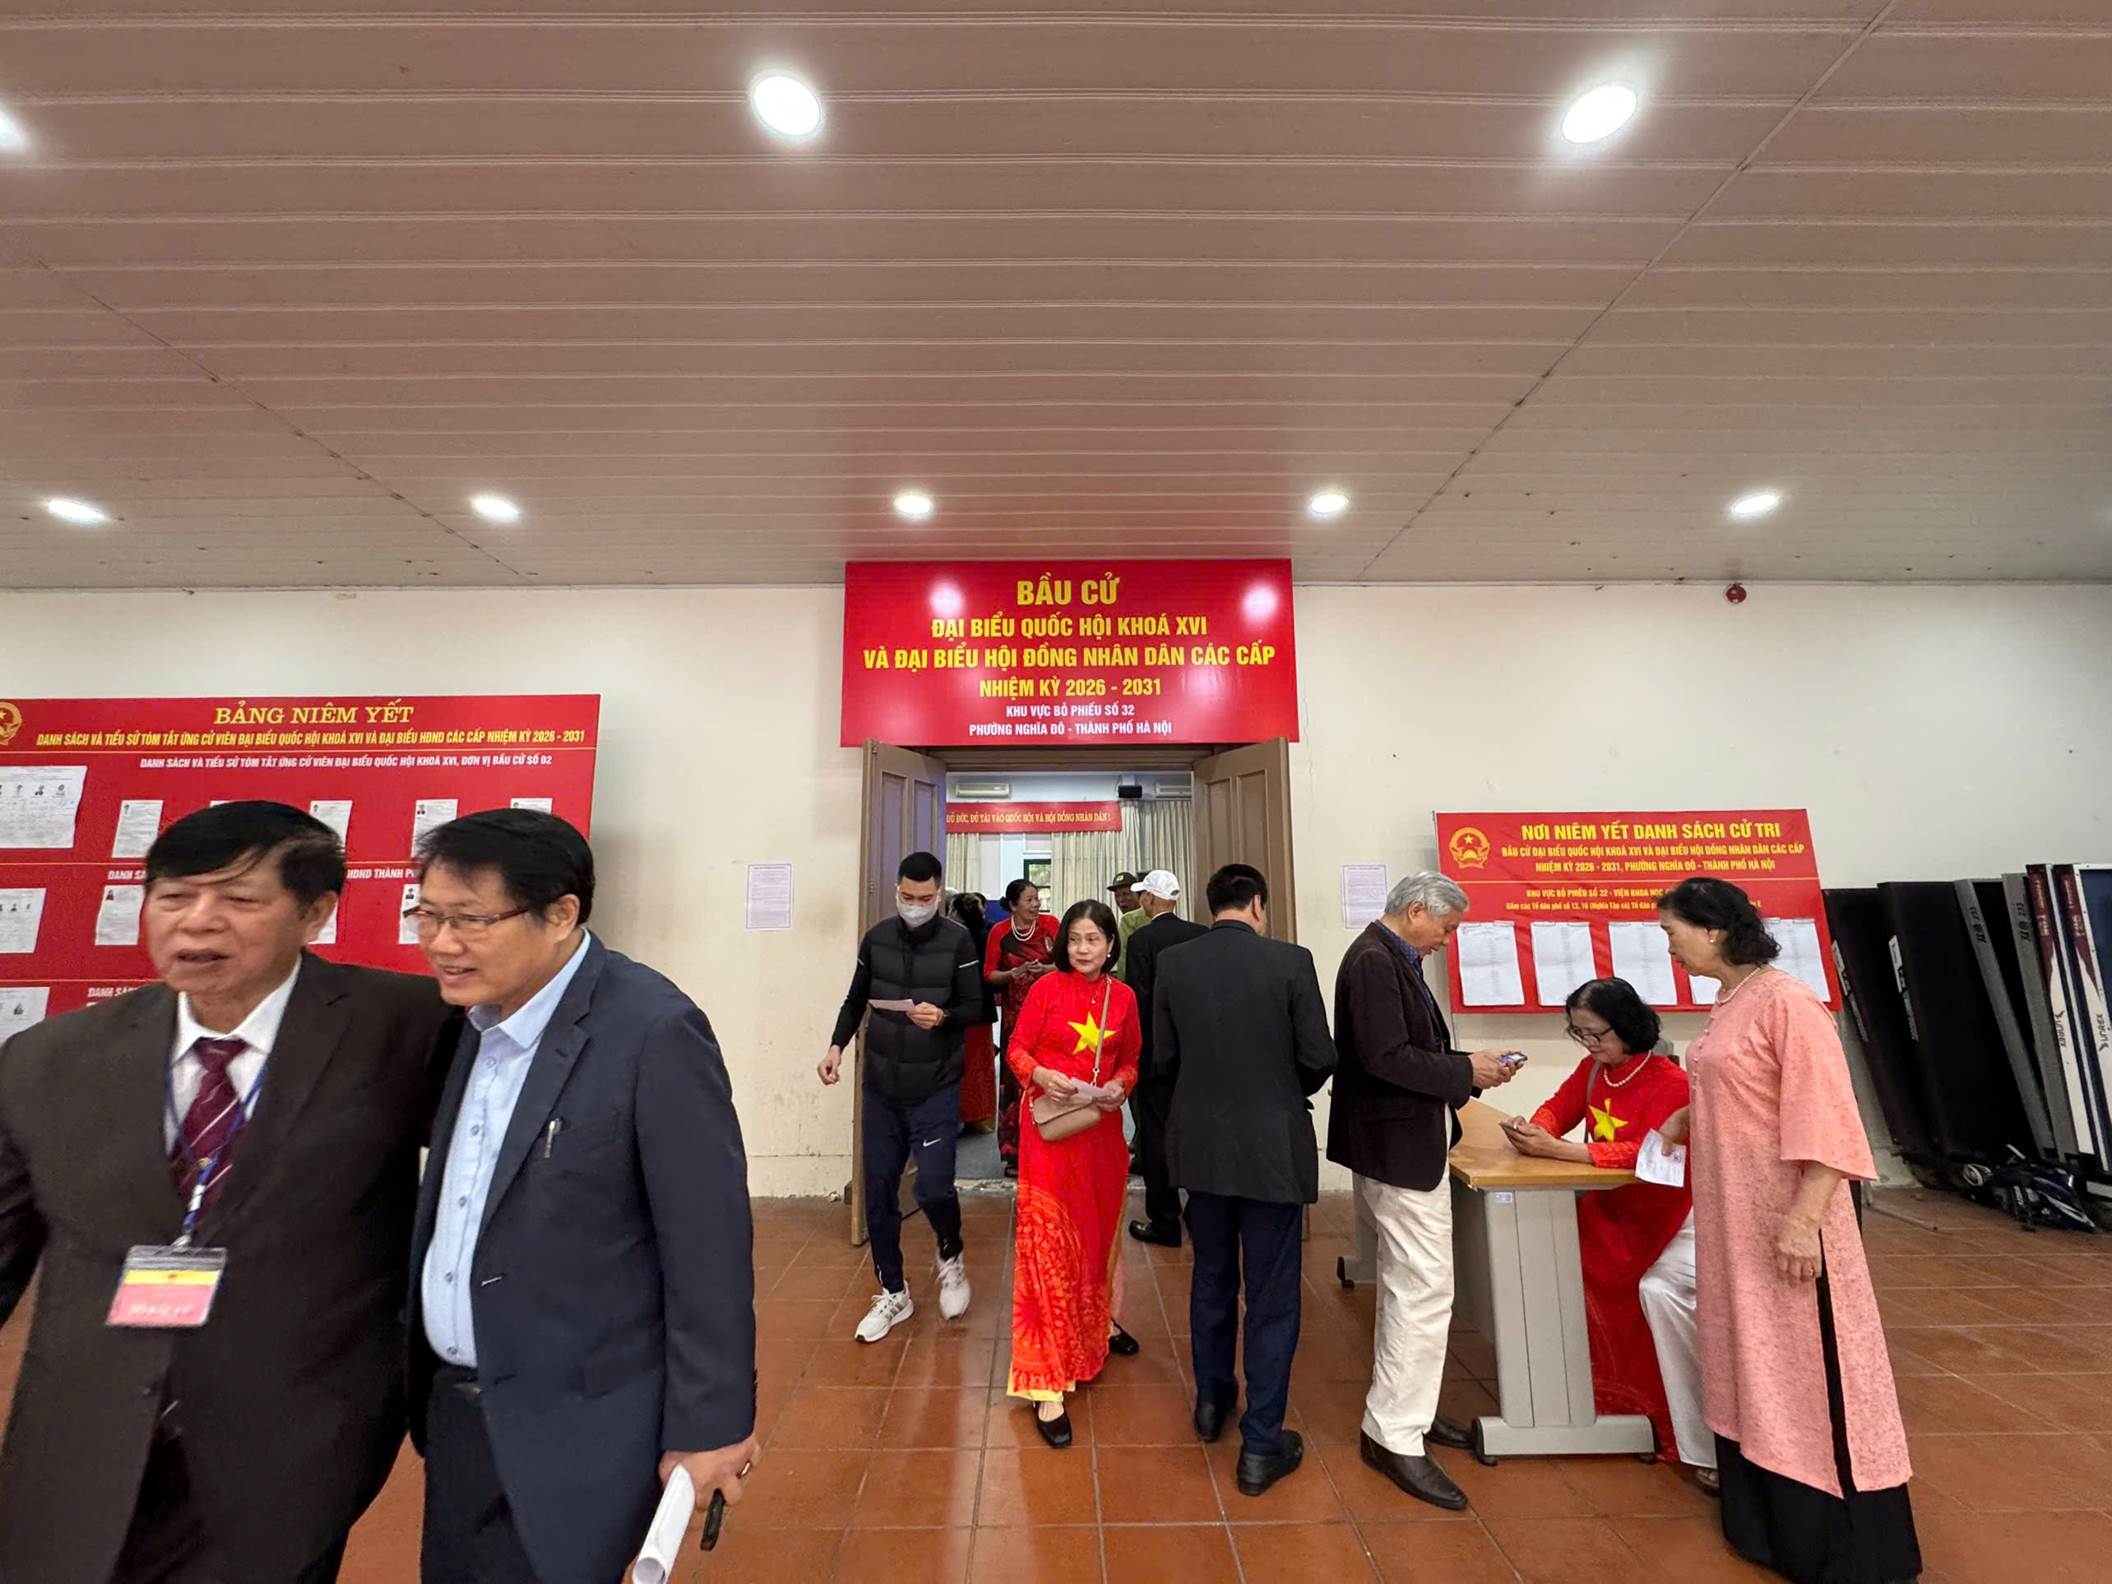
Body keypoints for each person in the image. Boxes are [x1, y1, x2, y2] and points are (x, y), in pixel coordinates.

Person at [0, 800, 451, 1584]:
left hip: (289, 1437)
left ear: (316, 912)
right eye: (173, 897)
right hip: (83, 1436)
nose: (198, 922)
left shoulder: (407, 1027)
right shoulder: (49, 1059)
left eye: (240, 899)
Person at [408, 808, 757, 1584]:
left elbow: (707, 1246)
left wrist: (714, 1423)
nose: (441, 943)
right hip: (460, 1414)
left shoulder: (652, 1030)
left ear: (561, 914)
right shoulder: (465, 1021)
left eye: (470, 920)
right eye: (427, 916)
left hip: (578, 1420)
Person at [1658, 877, 1918, 1584]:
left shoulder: (1788, 1004)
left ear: (1713, 930)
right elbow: (1748, 1088)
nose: (1669, 947)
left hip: (1787, 1219)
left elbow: (1828, 1120)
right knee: (1753, 1361)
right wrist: (1690, 1114)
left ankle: (1840, 1541)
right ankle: (1767, 1525)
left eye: (1672, 932)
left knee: (1805, 1368)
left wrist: (1804, 1222)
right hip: (1736, 1223)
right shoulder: (1732, 1000)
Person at [1327, 871, 1519, 1512]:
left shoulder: (1387, 954)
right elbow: (1385, 1057)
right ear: (1416, 910)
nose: (1448, 939)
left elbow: (1407, 1050)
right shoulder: (1374, 960)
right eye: (1446, 926)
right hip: (1397, 1145)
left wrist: (1466, 1068)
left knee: (1411, 1287)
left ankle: (1407, 1407)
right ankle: (1394, 1433)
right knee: (1424, 1289)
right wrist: (1465, 1070)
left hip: (1402, 1140)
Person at [1154, 864, 1337, 1498]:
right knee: (1272, 1295)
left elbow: (1163, 1058)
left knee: (1210, 1277)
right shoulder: (1291, 961)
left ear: (1213, 907)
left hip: (1200, 1147)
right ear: (1258, 904)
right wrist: (1278, 1090)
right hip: (1271, 1150)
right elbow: (1319, 1056)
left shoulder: (1175, 964)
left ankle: (1211, 1403)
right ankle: (1260, 1445)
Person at [1501, 977, 1710, 1487]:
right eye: (1579, 1034)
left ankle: (1655, 1416)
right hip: (1609, 1207)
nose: (1589, 1044)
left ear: (1628, 1026)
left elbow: (1651, 1154)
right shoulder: (1595, 1070)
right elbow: (1561, 1107)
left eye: (1596, 1034)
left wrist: (1564, 1151)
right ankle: (1587, 1396)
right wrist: (1537, 1128)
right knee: (1553, 1259)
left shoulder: (1669, 1082)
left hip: (1659, 1213)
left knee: (1636, 1287)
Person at [820, 851, 981, 1340]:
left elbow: (978, 1007)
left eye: (924, 898)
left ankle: (950, 1253)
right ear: (896, 891)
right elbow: (855, 999)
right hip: (882, 1088)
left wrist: (945, 1016)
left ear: (939, 894)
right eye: (907, 896)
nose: (914, 905)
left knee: (932, 1188)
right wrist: (836, 1046)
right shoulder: (877, 939)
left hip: (935, 1085)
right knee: (877, 1191)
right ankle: (894, 1290)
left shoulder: (958, 940)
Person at [1004, 901, 1143, 1448]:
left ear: (1110, 945)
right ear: (1064, 943)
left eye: (1094, 940)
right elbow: (1016, 1049)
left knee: (1095, 1237)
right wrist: (1041, 1074)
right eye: (1075, 939)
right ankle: (1046, 1385)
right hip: (1049, 1136)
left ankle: (1094, 1329)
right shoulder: (1045, 989)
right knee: (1048, 1249)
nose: (1083, 949)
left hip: (1101, 1136)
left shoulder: (1123, 997)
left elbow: (1131, 1059)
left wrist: (1120, 1087)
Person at [1121, 870, 1207, 1248]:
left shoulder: (1142, 940)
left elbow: (1139, 1000)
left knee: (1156, 1138)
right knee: (1198, 1135)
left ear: (1151, 899)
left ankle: (1165, 1222)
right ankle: (1200, 1215)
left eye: (1143, 895)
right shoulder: (1201, 935)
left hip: (1157, 1057)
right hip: (1197, 1056)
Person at [984, 878, 1058, 1174]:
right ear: (1013, 905)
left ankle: (1049, 1146)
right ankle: (1014, 1152)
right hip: (1015, 1020)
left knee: (1049, 1078)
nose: (1036, 904)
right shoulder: (999, 932)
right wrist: (1012, 974)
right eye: (1029, 899)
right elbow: (989, 974)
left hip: (1050, 1015)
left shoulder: (1051, 925)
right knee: (1015, 1082)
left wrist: (1046, 970)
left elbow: (1067, 964)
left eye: (1037, 898)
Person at [948, 891, 999, 1133]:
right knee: (981, 1067)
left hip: (964, 1011)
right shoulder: (987, 935)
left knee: (965, 1066)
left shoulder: (957, 938)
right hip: (982, 1010)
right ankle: (980, 1118)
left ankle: (965, 1115)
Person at [1106, 870, 1146, 982]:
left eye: (1126, 894)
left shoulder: (1131, 920)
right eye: (1117, 895)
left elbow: (1124, 958)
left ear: (1139, 895)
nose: (1121, 900)